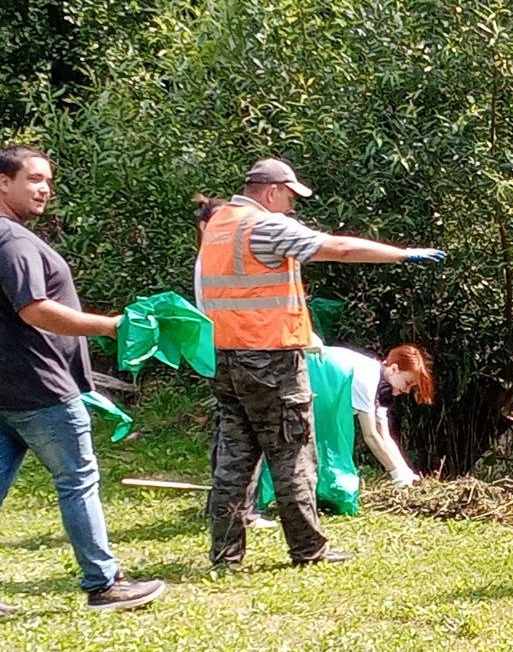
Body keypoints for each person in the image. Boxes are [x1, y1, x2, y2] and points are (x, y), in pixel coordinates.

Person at [201, 157, 445, 567]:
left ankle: (225, 554)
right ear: (272, 191)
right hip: (271, 359)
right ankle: (308, 549)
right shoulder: (265, 226)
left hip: (225, 357)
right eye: (289, 196)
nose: (292, 206)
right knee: (293, 452)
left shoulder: (219, 225)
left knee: (234, 457)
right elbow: (338, 248)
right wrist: (403, 255)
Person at [0, 144, 165, 612]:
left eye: (48, 181)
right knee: (77, 480)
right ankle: (103, 582)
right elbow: (35, 309)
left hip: (8, 389)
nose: (44, 189)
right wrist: (109, 325)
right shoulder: (12, 241)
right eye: (33, 179)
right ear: (3, 183)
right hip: (41, 387)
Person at [193, 194, 275, 528]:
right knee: (242, 436)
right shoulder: (213, 259)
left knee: (232, 433)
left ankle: (227, 508)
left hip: (225, 350)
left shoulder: (210, 257)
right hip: (235, 351)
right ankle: (242, 511)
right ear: (205, 226)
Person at [320, 343, 434, 485]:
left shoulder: (380, 389)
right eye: (407, 383)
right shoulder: (368, 377)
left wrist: (405, 471)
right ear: (394, 369)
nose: (406, 391)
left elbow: (384, 436)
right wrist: (396, 473)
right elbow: (371, 436)